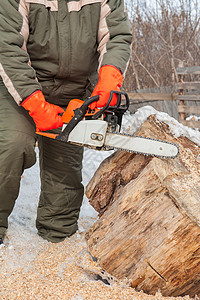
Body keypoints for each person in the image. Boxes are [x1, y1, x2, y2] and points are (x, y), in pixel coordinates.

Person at [0, 0, 132, 244]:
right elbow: (8, 47)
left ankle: (57, 240)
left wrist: (107, 83)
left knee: (64, 173)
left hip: (75, 91)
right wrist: (37, 105)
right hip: (19, 85)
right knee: (12, 143)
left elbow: (116, 37)